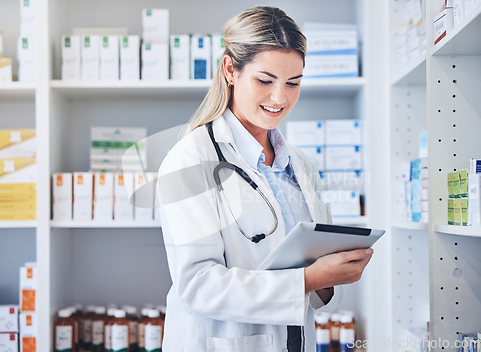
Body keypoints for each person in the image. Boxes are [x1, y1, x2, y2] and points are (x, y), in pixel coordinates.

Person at [156, 6, 373, 352]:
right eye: (265, 80)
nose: (280, 98)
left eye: (293, 83)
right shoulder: (189, 160)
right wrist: (309, 279)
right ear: (230, 70)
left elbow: (316, 289)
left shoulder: (301, 166)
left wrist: (332, 275)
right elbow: (197, 285)